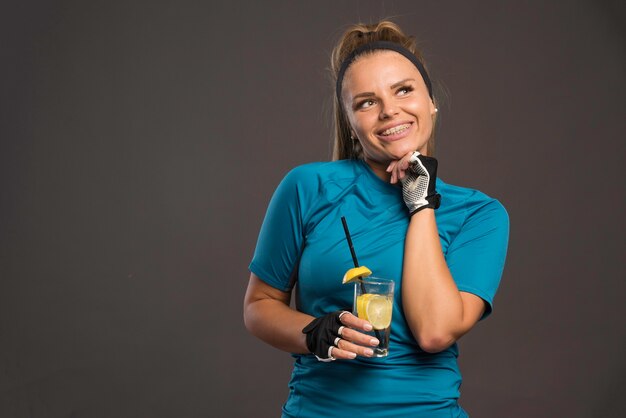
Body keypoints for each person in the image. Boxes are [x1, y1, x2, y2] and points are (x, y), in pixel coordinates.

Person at [243, 20, 509, 417]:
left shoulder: (480, 214)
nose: (389, 111)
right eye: (367, 102)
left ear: (431, 101)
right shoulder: (307, 186)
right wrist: (312, 333)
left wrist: (421, 205)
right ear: (351, 125)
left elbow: (434, 331)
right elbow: (259, 305)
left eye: (403, 90)